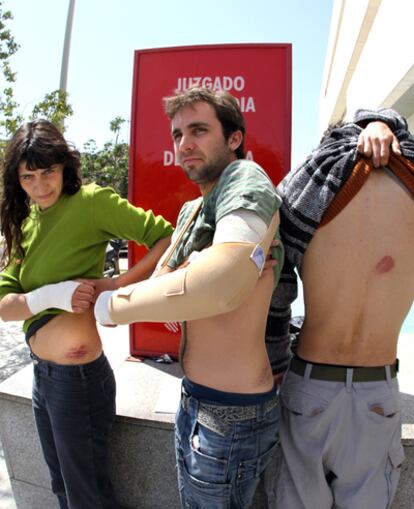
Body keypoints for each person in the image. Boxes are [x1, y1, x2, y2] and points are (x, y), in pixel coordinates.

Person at [94, 87, 284, 508]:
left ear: (234, 138)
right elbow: (171, 289)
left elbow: (216, 286)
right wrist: (188, 276)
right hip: (195, 397)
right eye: (178, 134)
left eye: (198, 130)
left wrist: (112, 307)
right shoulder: (193, 210)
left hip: (232, 411)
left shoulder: (244, 179)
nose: (184, 144)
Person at [0, 119, 174, 509]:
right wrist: (50, 295)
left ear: (64, 166)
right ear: (17, 179)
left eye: (48, 172)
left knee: (86, 495)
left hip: (77, 380)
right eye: (28, 177)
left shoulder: (91, 202)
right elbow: (5, 308)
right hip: (42, 377)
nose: (40, 185)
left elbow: (165, 237)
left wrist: (117, 284)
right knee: (63, 487)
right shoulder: (26, 224)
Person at [265, 109, 414, 509]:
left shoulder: (315, 177)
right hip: (377, 389)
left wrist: (275, 361)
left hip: (311, 381)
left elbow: (274, 284)